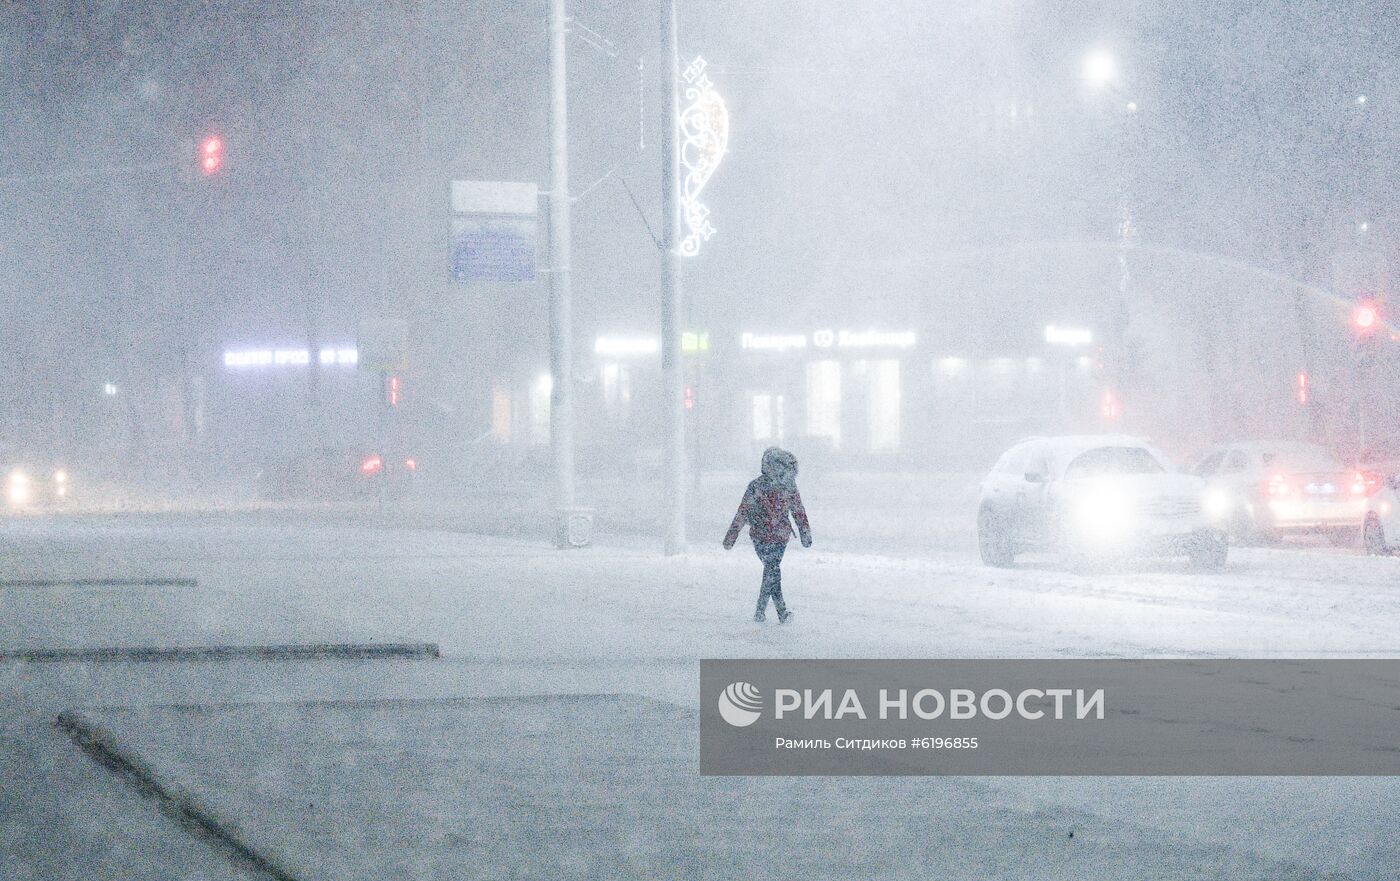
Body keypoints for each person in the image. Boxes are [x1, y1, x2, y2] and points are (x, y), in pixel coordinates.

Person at [723, 447, 812, 623]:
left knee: (771, 570)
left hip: (768, 536)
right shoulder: (766, 486)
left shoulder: (762, 486)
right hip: (770, 536)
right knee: (772, 570)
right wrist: (804, 532)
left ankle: (765, 612)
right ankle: (776, 612)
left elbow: (797, 510)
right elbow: (798, 512)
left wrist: (731, 537)